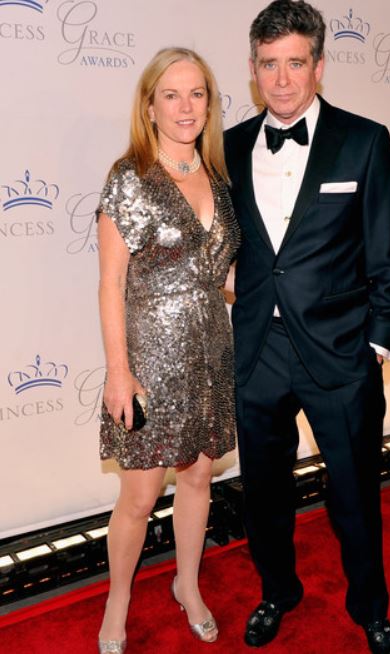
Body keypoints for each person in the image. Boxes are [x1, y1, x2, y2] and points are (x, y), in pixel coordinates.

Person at [224, 1, 390, 652]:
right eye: (269, 65)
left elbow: (389, 249)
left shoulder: (362, 141)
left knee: (356, 493)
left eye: (295, 63)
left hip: (339, 352)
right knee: (265, 494)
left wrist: (382, 338)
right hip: (258, 356)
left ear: (319, 66)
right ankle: (278, 591)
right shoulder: (226, 149)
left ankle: (371, 608)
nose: (281, 79)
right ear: (253, 70)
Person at [96, 47, 240, 653]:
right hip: (150, 362)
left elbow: (218, 275)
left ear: (210, 104)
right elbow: (110, 283)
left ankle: (187, 584)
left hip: (211, 352)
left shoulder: (222, 180)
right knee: (139, 495)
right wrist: (119, 373)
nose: (186, 107)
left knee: (200, 478)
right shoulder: (129, 177)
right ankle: (119, 599)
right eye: (172, 95)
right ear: (150, 107)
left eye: (198, 94)